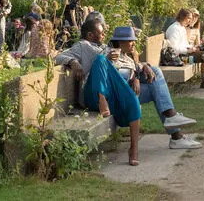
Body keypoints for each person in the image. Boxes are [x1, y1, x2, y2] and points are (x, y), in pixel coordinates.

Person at [54, 13, 142, 166]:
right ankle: (102, 99)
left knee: (132, 98)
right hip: (91, 95)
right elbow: (58, 56)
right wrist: (74, 62)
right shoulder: (83, 46)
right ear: (90, 34)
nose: (104, 35)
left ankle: (134, 148)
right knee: (101, 59)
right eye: (101, 33)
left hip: (111, 94)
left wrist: (136, 77)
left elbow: (126, 63)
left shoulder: (106, 47)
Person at [109, 24, 202, 150]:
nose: (134, 44)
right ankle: (174, 126)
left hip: (131, 92)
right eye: (131, 41)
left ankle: (175, 131)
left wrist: (144, 65)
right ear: (120, 43)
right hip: (120, 95)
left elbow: (135, 68)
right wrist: (134, 78)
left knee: (155, 81)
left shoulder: (127, 57)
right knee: (156, 78)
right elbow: (117, 75)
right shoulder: (111, 55)